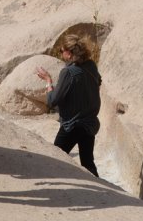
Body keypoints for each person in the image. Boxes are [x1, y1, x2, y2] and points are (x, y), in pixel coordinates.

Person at [35, 34, 103, 177]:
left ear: (69, 52)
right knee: (88, 163)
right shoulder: (91, 65)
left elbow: (53, 100)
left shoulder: (68, 72)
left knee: (55, 159)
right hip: (90, 123)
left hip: (72, 125)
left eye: (61, 51)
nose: (60, 54)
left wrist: (48, 81)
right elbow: (98, 81)